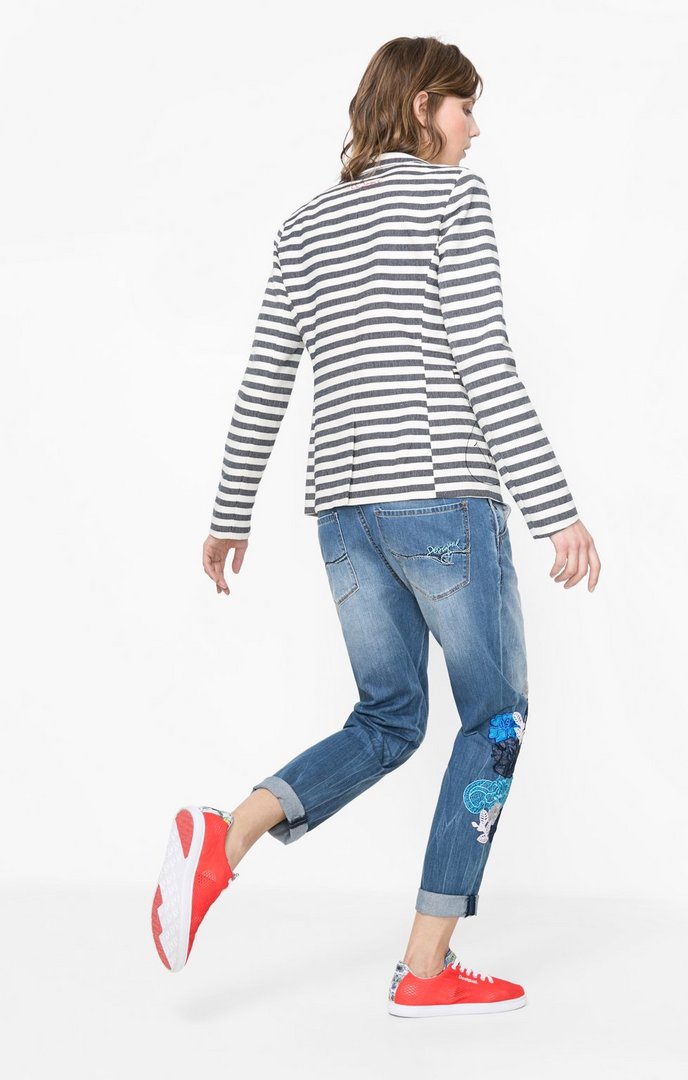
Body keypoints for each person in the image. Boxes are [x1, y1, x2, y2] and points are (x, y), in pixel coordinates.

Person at [151, 35, 601, 1017]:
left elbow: (266, 379)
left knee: (389, 719)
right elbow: (484, 356)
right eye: (465, 107)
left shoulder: (305, 225)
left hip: (345, 515)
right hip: (443, 497)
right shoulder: (453, 200)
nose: (475, 129)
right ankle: (427, 966)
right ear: (422, 105)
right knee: (496, 717)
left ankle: (226, 836)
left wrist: (230, 513)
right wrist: (555, 508)